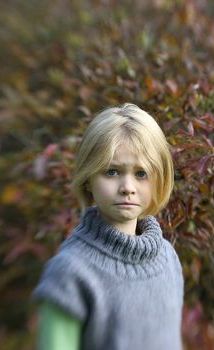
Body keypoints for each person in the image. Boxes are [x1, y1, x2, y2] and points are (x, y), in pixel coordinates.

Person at [32, 103, 184, 350]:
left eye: (141, 173)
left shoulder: (167, 258)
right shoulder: (71, 273)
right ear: (89, 178)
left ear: (159, 179)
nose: (128, 186)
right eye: (112, 172)